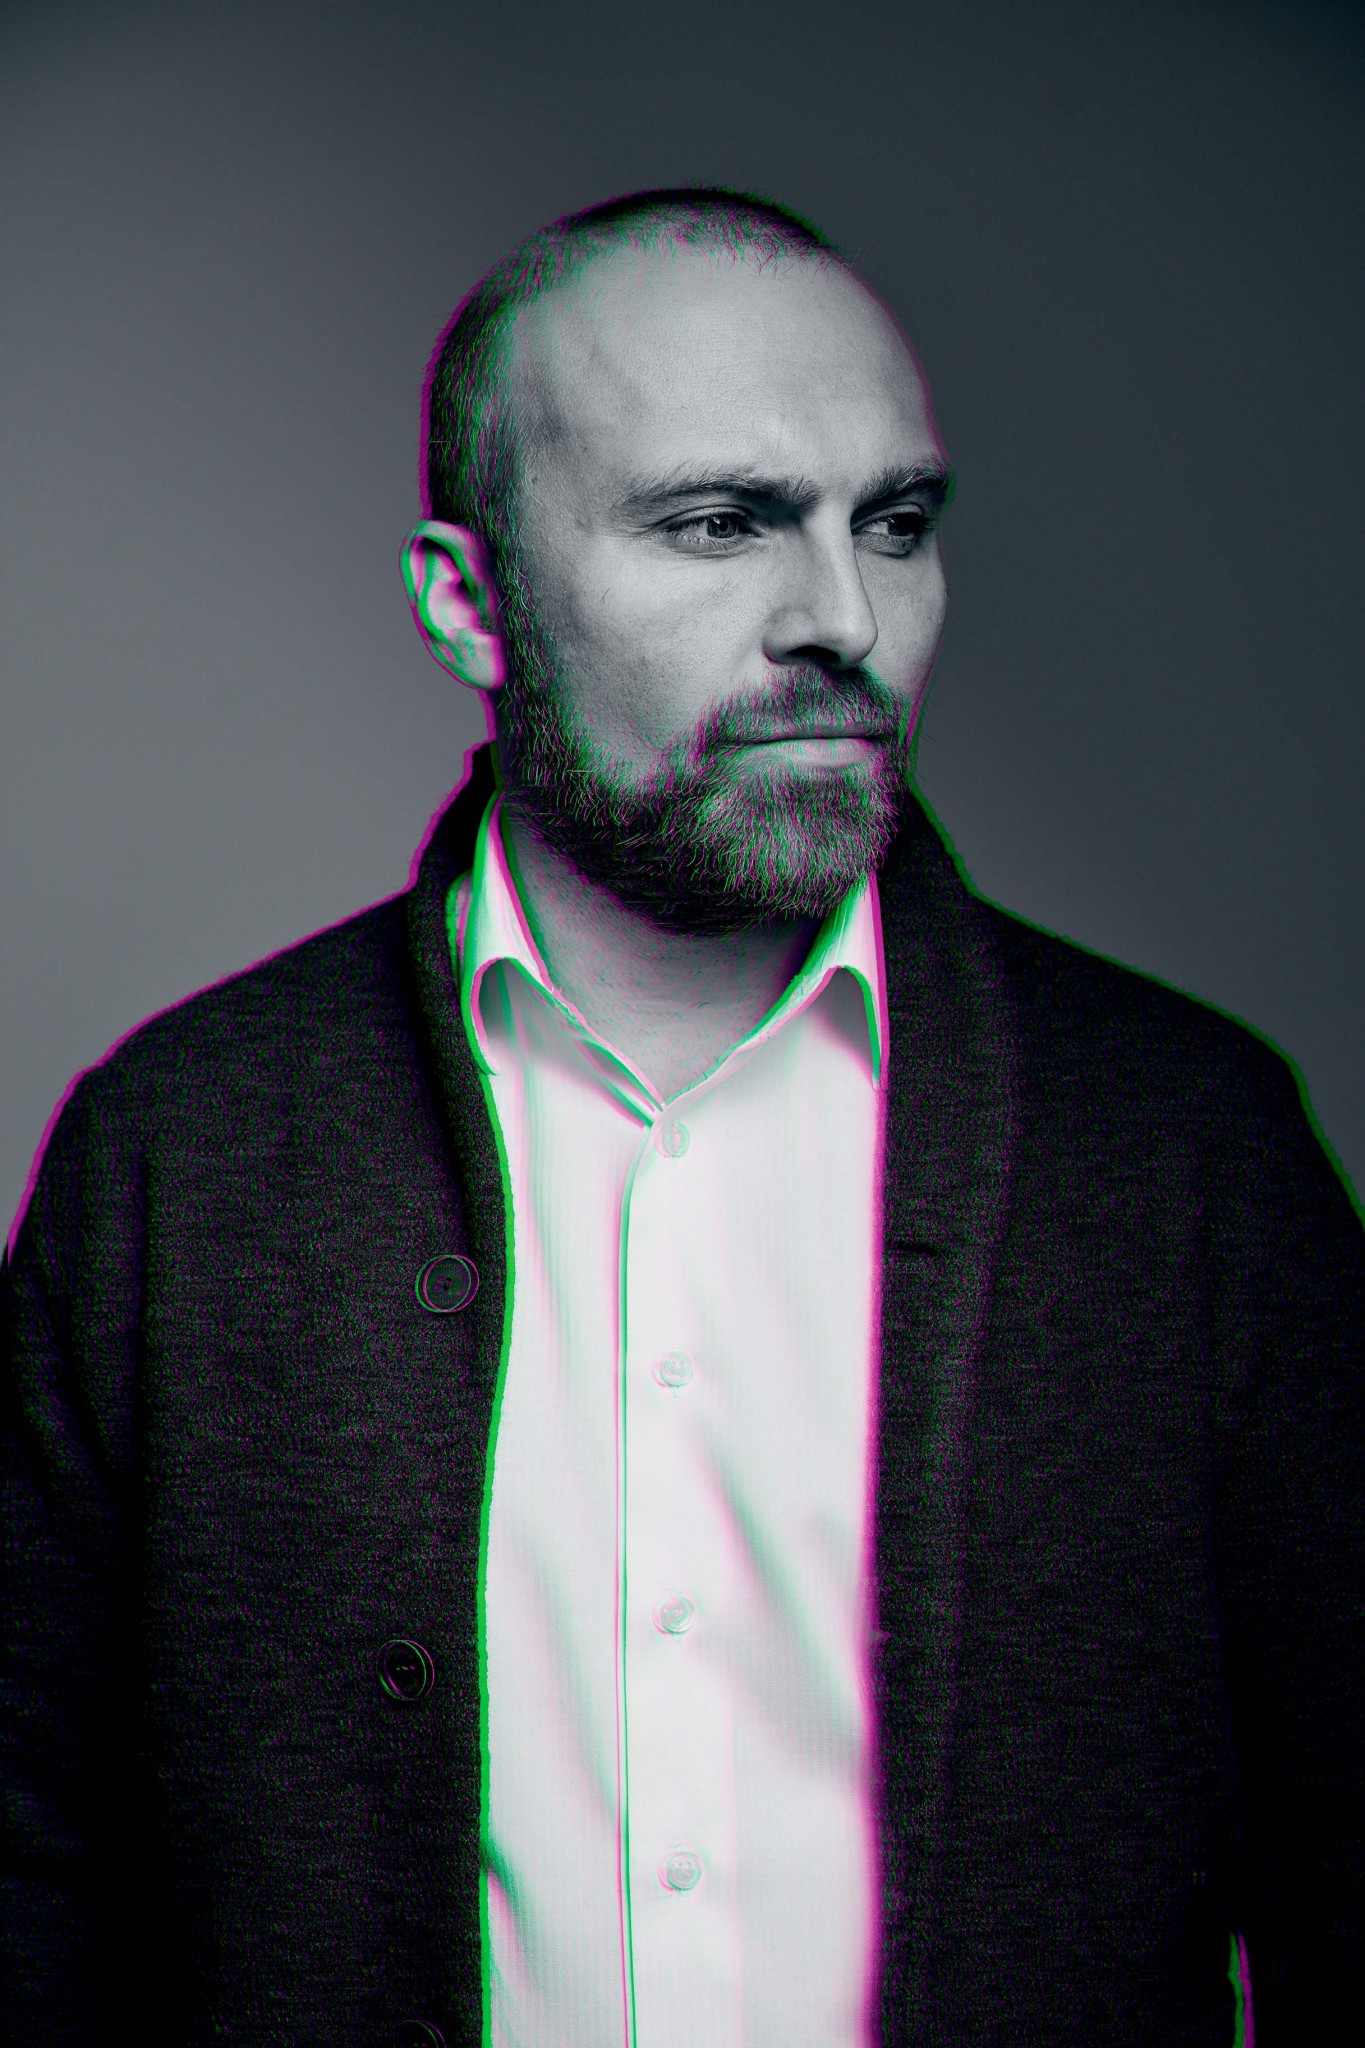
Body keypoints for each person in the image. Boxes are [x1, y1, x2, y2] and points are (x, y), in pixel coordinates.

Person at [3, 186, 1361, 2048]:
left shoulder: (1186, 1152)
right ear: (469, 603)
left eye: (893, 525)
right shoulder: (182, 1153)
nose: (843, 619)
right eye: (719, 524)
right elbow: (31, 1879)